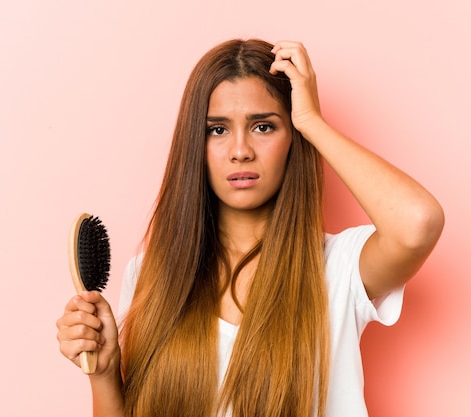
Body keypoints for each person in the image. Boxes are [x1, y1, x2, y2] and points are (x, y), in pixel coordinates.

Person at [56, 39, 444, 417]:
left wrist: (311, 121)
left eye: (263, 127)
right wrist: (105, 375)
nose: (240, 150)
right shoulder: (149, 275)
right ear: (196, 144)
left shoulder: (339, 267)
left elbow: (417, 222)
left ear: (292, 136)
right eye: (217, 130)